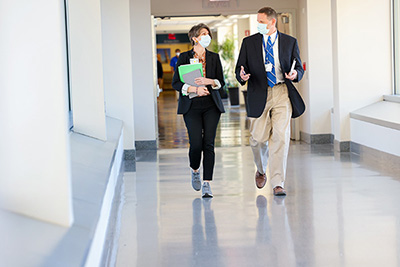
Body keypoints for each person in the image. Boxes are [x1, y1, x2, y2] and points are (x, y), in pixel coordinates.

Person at [235, 7, 305, 196]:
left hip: (282, 92)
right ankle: (260, 168)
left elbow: (299, 66)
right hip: (259, 92)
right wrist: (242, 75)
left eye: (262, 22)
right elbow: (239, 70)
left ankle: (277, 182)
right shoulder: (249, 43)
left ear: (272, 22)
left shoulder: (290, 42)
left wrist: (295, 73)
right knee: (257, 139)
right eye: (257, 21)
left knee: (280, 137)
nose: (258, 25)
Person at [172, 23, 225, 198]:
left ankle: (207, 183)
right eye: (203, 34)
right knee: (196, 144)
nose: (206, 36)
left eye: (208, 33)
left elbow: (220, 82)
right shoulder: (184, 58)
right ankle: (195, 169)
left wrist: (208, 81)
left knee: (208, 143)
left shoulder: (214, 57)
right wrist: (195, 89)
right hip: (191, 106)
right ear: (195, 38)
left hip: (211, 105)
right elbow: (176, 83)